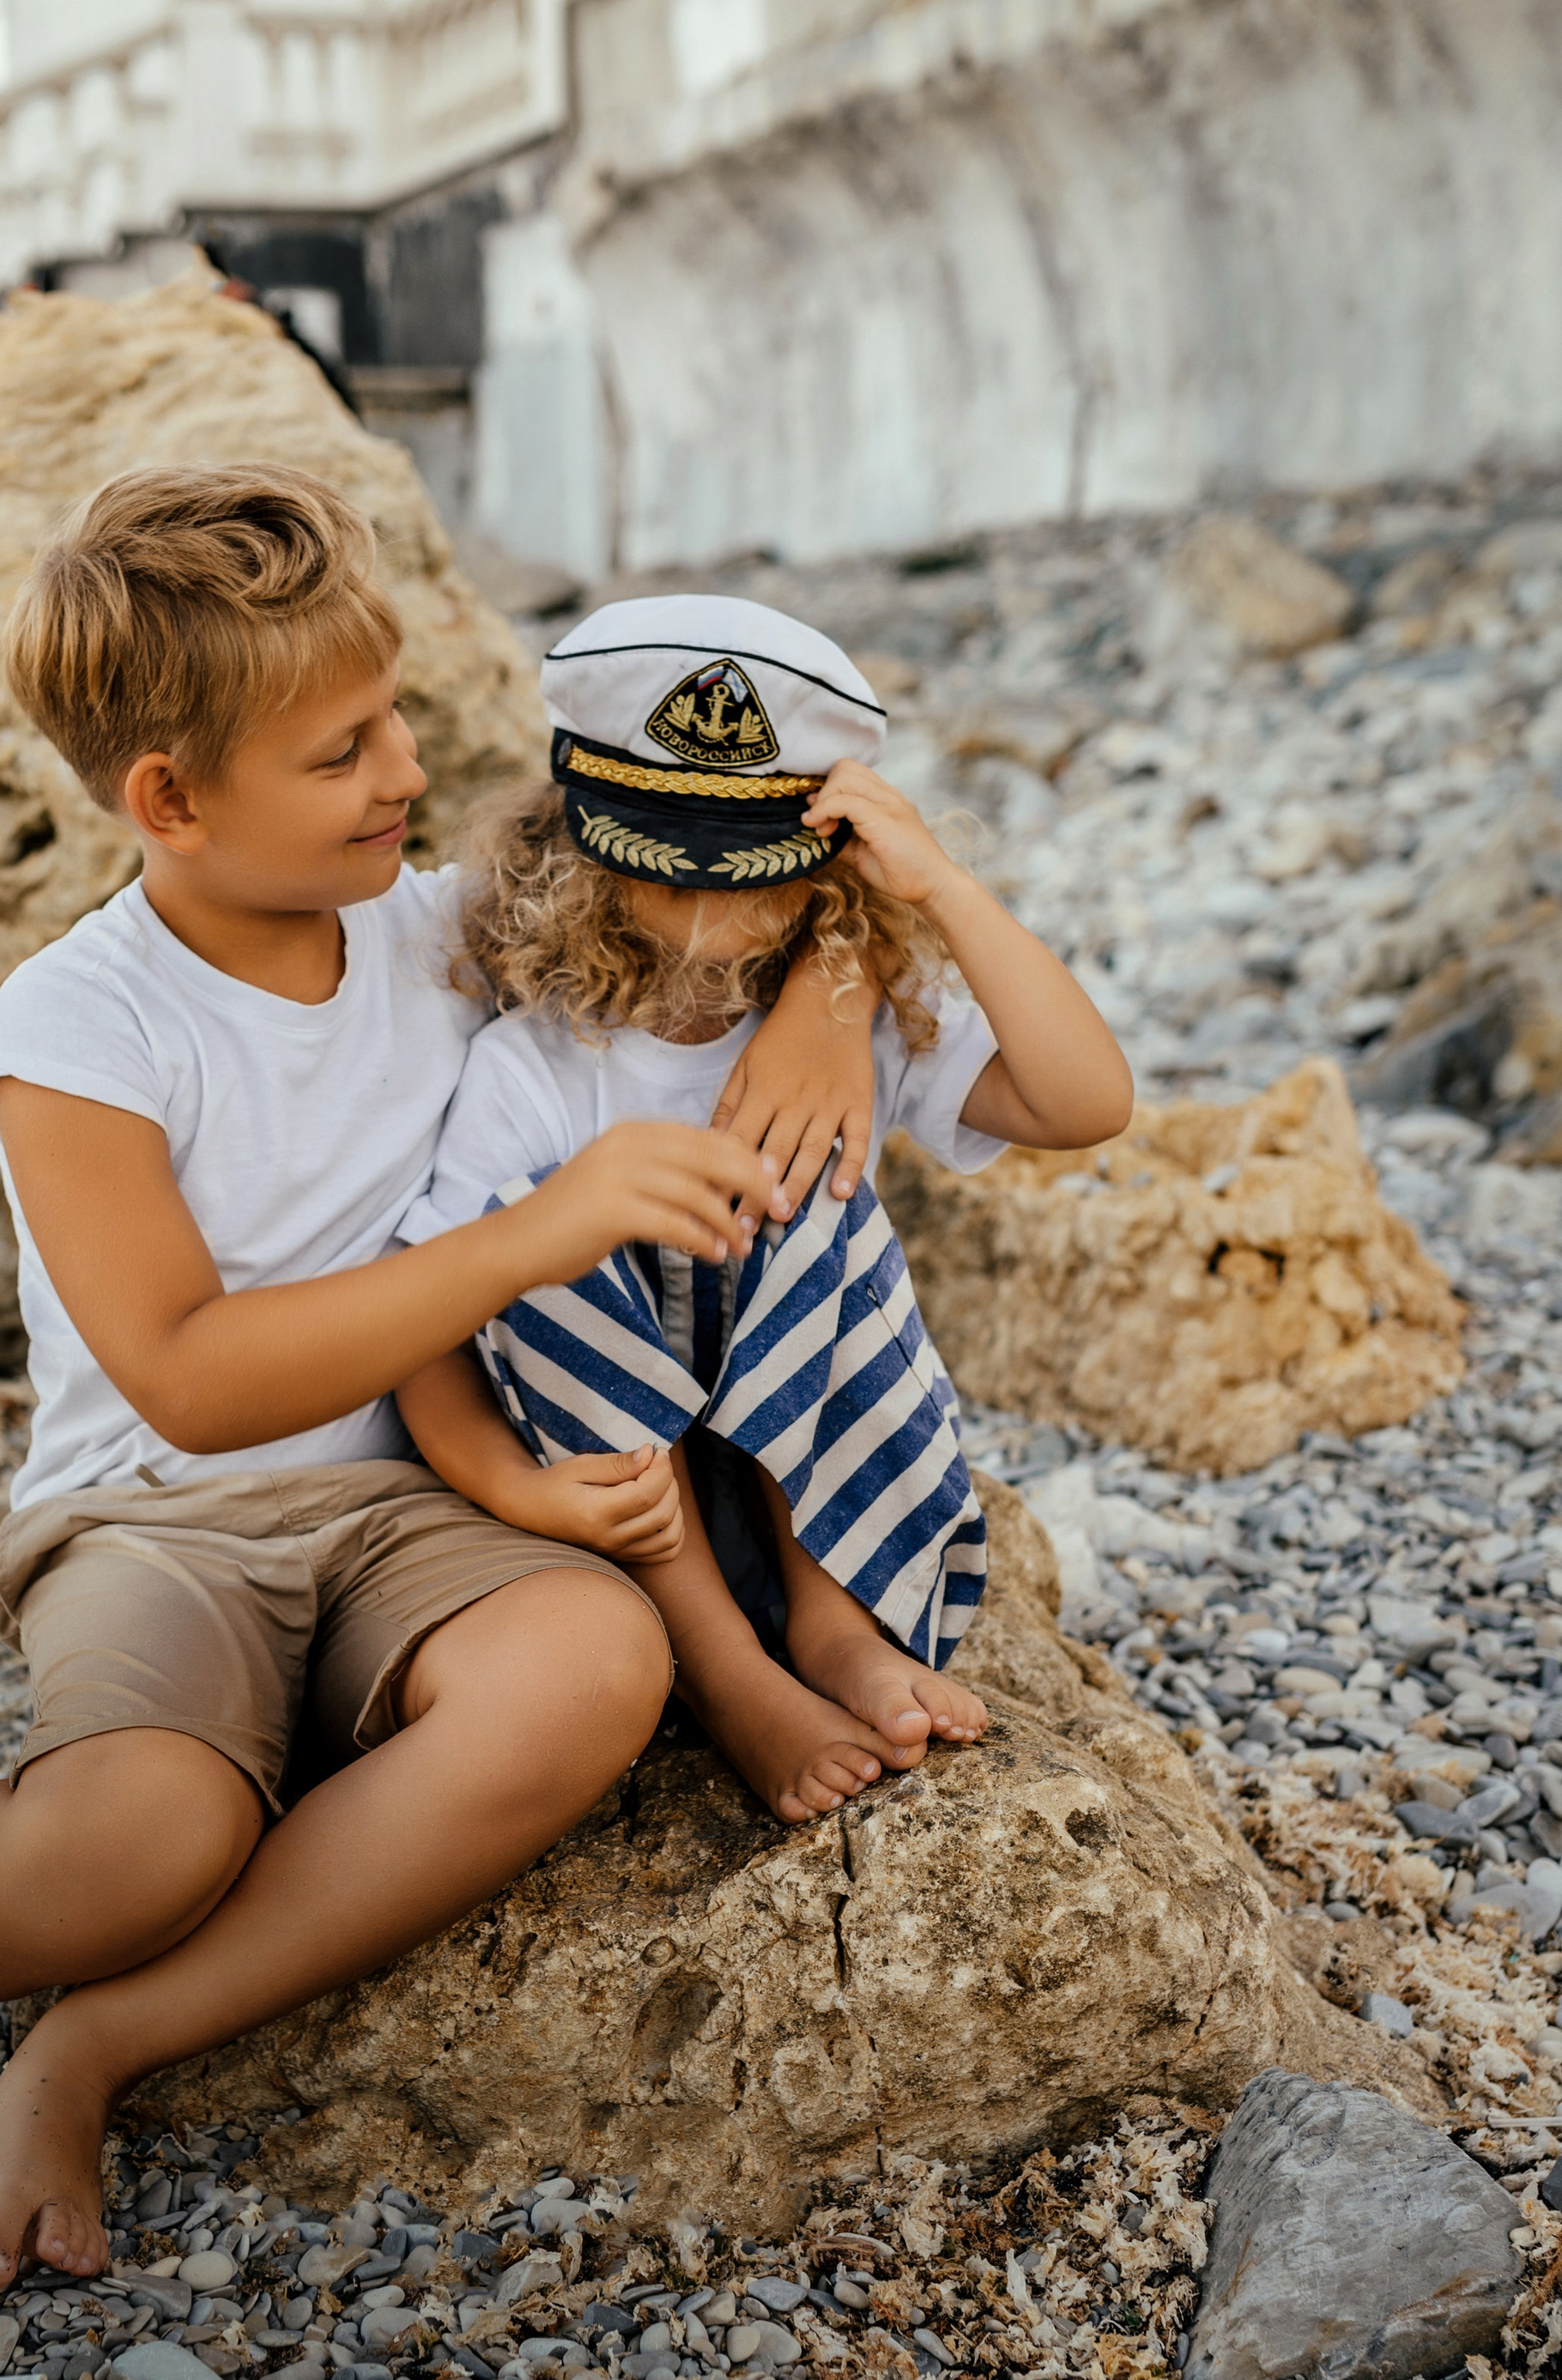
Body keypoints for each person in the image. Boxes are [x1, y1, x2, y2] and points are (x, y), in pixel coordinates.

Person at [0, 468, 880, 2283]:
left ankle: (92, 2043)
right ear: (168, 800)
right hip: (157, 1517)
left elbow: (720, 864)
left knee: (591, 1661)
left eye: (399, 720)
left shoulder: (441, 926)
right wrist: (533, 1235)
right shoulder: (79, 1020)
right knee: (148, 1831)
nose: (409, 771)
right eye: (343, 749)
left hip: (413, 1503)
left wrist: (825, 983)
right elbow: (191, 1378)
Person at [393, 597, 1135, 1823]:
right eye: (657, 866)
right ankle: (732, 1676)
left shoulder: (862, 1021)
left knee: (813, 1190)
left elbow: (1086, 1099)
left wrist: (937, 889)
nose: (703, 917)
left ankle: (832, 1624)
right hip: (627, 1498)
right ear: (583, 849)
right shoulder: (537, 1065)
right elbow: (439, 1309)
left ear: (829, 863)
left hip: (806, 1467)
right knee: (533, 1241)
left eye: (743, 876)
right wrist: (508, 1487)